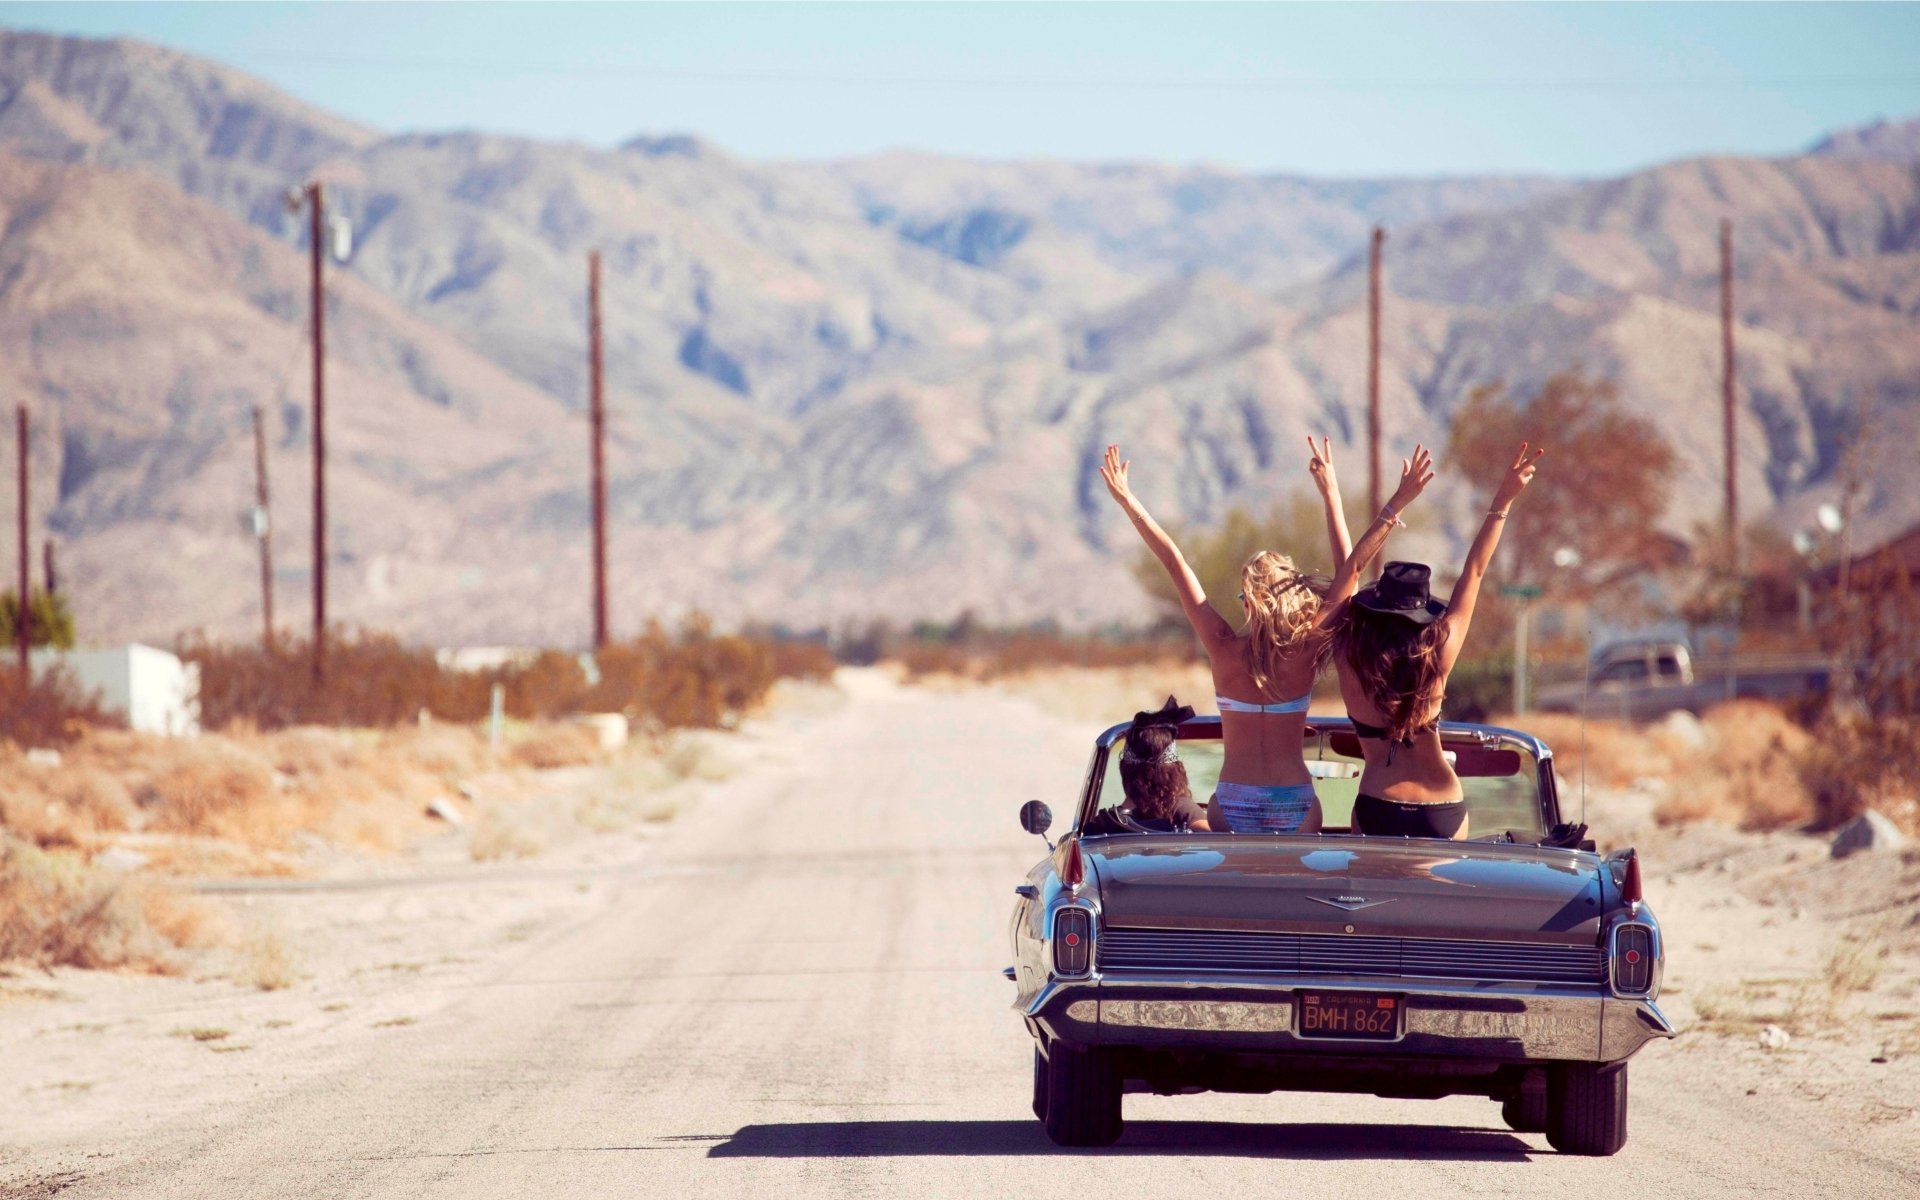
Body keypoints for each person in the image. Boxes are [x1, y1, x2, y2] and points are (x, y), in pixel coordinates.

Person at [1100, 438, 1434, 833]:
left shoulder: (1222, 647)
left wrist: (1128, 501)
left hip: (1233, 802)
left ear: (1248, 602)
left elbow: (1174, 561)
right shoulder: (1306, 649)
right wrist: (1375, 501)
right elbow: (1352, 571)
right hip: (1294, 802)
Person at [1336, 441, 1545, 840]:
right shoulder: (1440, 652)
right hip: (1442, 806)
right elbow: (1476, 572)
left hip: (1379, 800)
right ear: (1421, 613)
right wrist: (1503, 500)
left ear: (1373, 608)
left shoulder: (1350, 657)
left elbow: (1349, 572)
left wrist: (1394, 504)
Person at [1083, 697, 1210, 834]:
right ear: (1176, 770)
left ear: (1124, 769)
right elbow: (1213, 839)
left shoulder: (1100, 826)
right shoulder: (1187, 814)